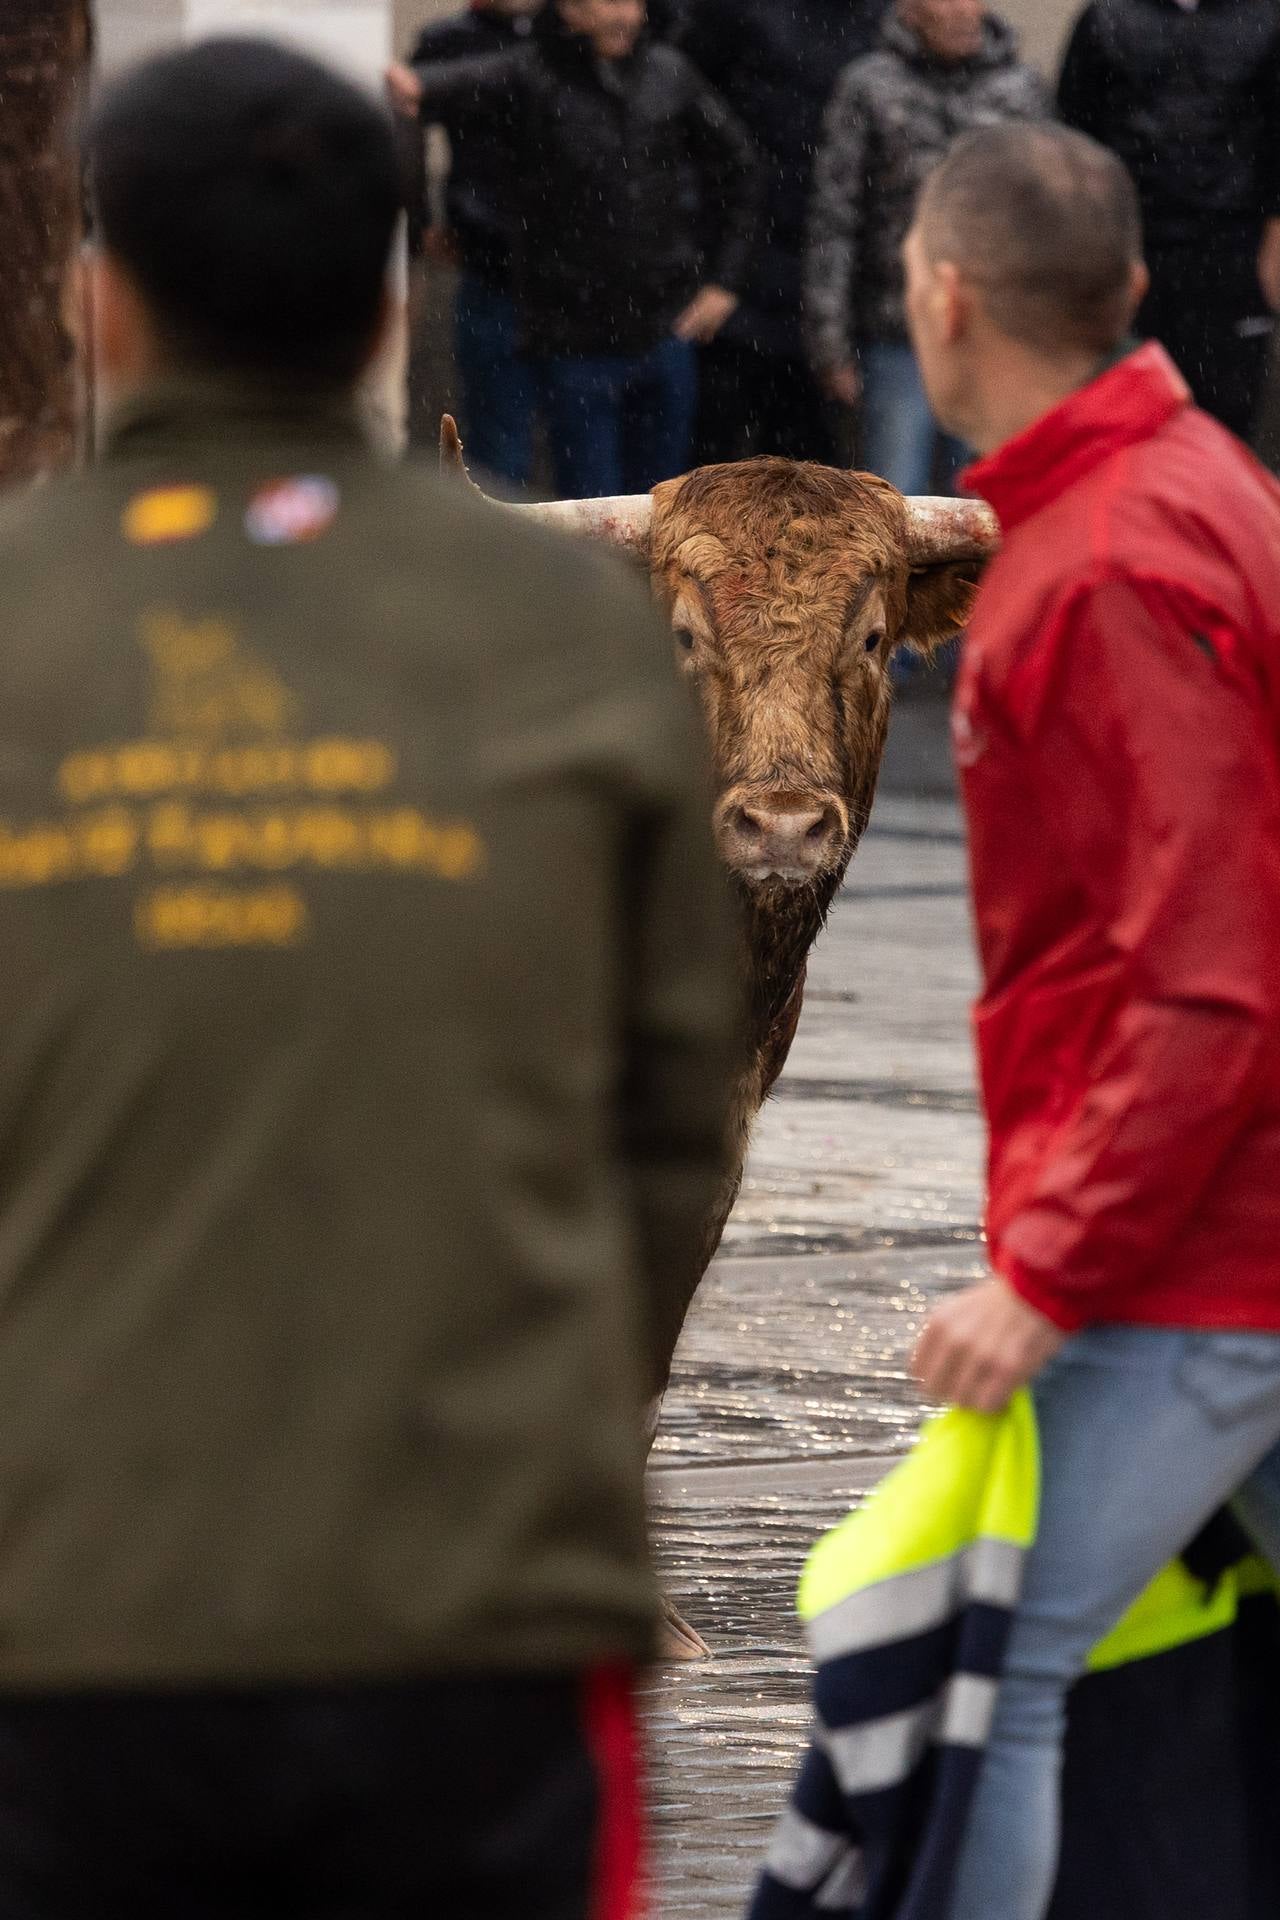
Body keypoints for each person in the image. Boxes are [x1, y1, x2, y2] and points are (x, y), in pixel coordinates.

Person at [0, 36, 739, 1917]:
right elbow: (678, 1132)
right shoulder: (570, 640)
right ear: (396, 302)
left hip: (63, 1609)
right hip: (475, 1601)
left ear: (98, 299)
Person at [903, 122, 1280, 1920]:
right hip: (1211, 1223)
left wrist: (1045, 1274)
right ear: (1130, 288)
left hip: (1199, 1256)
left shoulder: (1108, 560)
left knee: (982, 1674)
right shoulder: (1205, 482)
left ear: (941, 300)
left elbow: (1205, 978)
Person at [388, 0, 759, 499]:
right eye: (608, 3)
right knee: (592, 508)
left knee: (665, 504)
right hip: (576, 340)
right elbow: (422, 88)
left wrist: (725, 282)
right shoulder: (531, 73)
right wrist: (421, 220)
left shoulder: (668, 71)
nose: (626, 17)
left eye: (632, 2)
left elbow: (740, 167)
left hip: (665, 328)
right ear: (570, 11)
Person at [806, 0, 1046, 495]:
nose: (962, 11)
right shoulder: (869, 86)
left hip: (993, 337)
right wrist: (830, 340)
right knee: (896, 500)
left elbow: (1043, 217)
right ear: (910, 9)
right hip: (897, 333)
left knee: (986, 507)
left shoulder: (1021, 89)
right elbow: (835, 216)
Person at [1058, 0, 1280, 442]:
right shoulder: (1107, 17)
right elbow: (1076, 136)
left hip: (1230, 255)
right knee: (1129, 418)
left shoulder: (1265, 17)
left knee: (1223, 421)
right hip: (1133, 254)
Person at [678, 0, 885, 466]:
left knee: (808, 474)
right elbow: (687, 124)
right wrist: (710, 267)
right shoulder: (733, 16)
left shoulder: (878, 20)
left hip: (825, 288)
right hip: (735, 278)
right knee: (712, 465)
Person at [405, 0, 544, 488]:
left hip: (578, 274)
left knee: (589, 452)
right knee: (496, 446)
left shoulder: (564, 35)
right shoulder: (448, 40)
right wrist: (422, 223)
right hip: (490, 262)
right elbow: (408, 126)